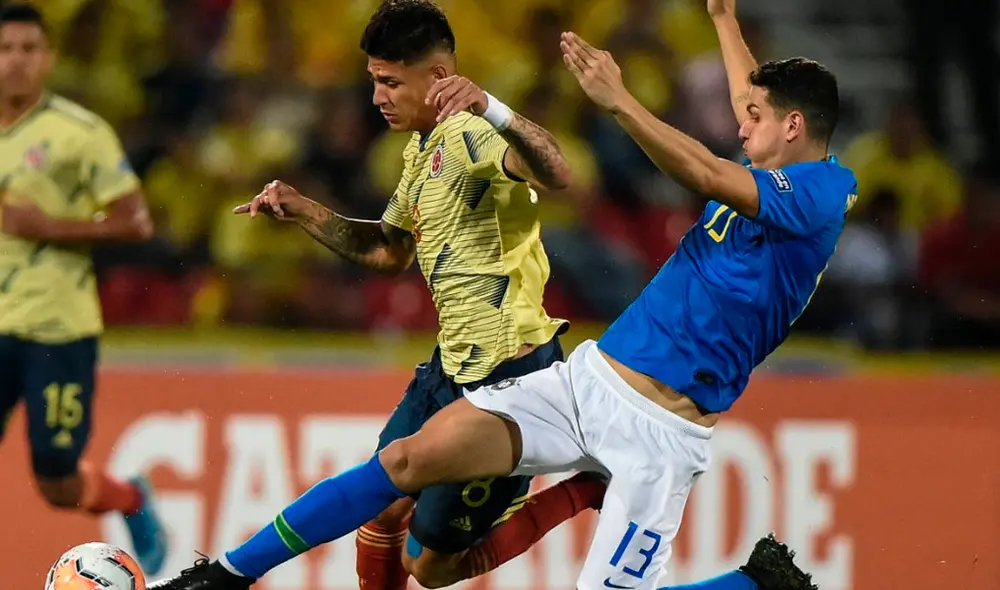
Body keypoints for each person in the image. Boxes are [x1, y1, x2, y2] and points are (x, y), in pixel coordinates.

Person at [151, 0, 849, 586]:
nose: (738, 122)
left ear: (792, 127)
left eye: (753, 116)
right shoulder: (778, 158)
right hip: (588, 383)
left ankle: (754, 583)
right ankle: (229, 574)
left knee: (446, 562)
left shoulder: (817, 197)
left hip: (661, 431)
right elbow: (749, 101)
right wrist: (724, 19)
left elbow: (697, 170)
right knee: (401, 465)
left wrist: (618, 102)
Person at [223, 1, 605, 589]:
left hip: (511, 378)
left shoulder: (473, 134)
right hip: (451, 367)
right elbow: (391, 251)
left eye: (389, 81)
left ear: (437, 77)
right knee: (381, 505)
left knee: (430, 568)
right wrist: (307, 212)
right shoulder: (423, 149)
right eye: (374, 79)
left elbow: (557, 173)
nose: (377, 96)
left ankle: (584, 489)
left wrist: (494, 108)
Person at [0, 2, 166, 576]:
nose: (16, 61)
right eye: (5, 49)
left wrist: (50, 227)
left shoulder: (80, 133)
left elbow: (137, 222)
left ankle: (131, 498)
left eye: (28, 49)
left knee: (55, 479)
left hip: (57, 329)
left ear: (47, 58)